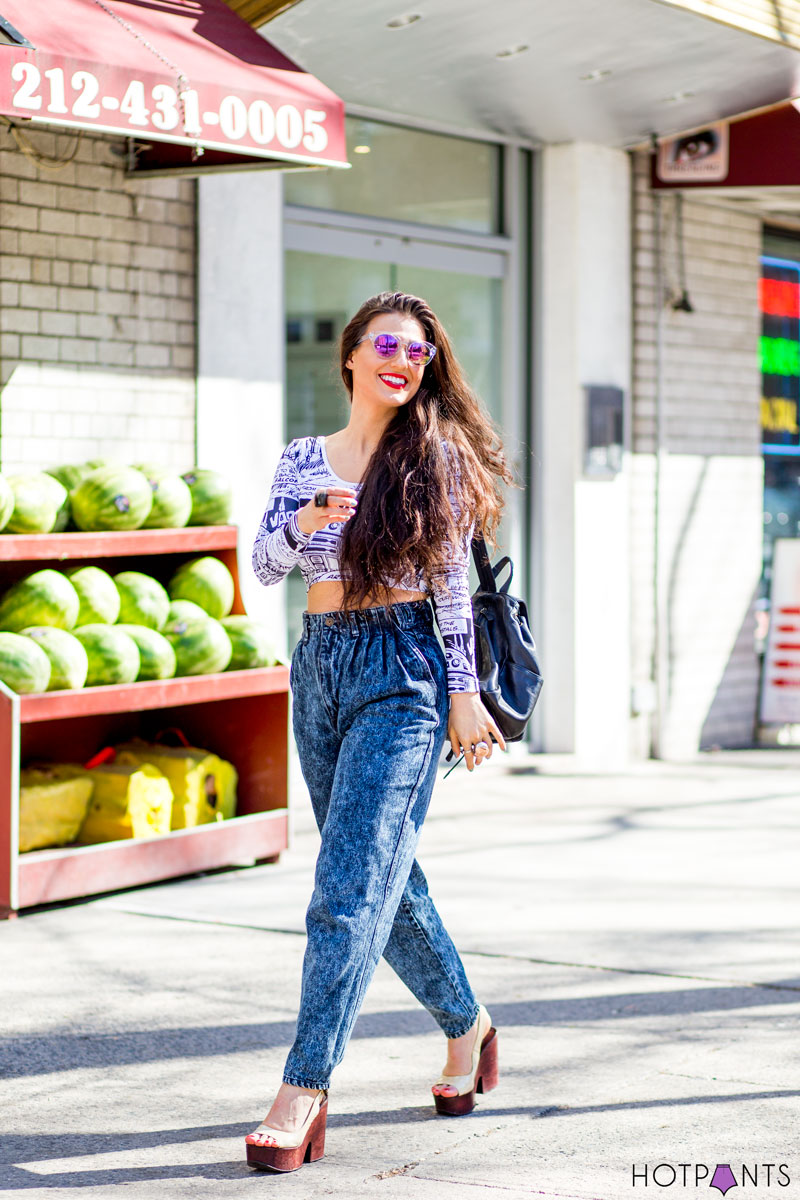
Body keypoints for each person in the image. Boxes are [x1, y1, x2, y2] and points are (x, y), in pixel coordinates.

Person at [246, 290, 513, 1173]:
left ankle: (304, 1088)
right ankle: (470, 1028)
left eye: (420, 352)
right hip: (319, 663)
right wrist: (307, 520)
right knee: (383, 880)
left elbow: (447, 586)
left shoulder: (431, 458)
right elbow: (264, 565)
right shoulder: (301, 457)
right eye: (388, 344)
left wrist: (464, 694)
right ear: (352, 354)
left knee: (347, 888)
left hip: (405, 676)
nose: (404, 360)